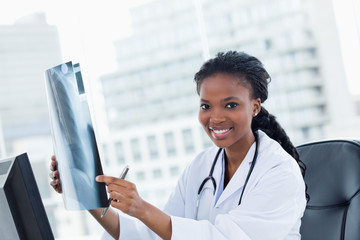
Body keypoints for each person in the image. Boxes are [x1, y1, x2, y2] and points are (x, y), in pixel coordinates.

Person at [50, 51, 307, 240]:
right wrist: (86, 194)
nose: (215, 117)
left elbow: (224, 237)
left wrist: (141, 208)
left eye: (230, 105)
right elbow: (155, 234)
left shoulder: (280, 171)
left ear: (255, 106)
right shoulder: (202, 165)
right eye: (206, 106)